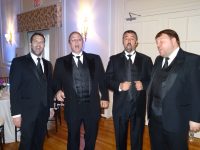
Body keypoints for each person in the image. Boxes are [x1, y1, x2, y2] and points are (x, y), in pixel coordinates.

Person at [53, 31, 109, 150]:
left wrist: (105, 96)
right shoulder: (61, 61)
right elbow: (56, 81)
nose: (76, 42)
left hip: (92, 106)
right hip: (73, 107)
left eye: (79, 39)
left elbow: (102, 79)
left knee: (91, 136)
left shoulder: (95, 58)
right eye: (73, 40)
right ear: (69, 43)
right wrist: (57, 90)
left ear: (82, 42)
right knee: (72, 137)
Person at [147, 29, 200, 150]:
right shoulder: (158, 60)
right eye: (157, 42)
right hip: (154, 119)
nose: (158, 45)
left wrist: (196, 118)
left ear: (174, 40)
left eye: (162, 41)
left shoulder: (192, 60)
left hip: (176, 119)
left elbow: (197, 91)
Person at [106, 30, 153, 150]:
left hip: (139, 106)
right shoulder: (114, 59)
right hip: (120, 106)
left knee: (137, 139)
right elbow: (107, 80)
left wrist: (144, 85)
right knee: (120, 138)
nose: (129, 40)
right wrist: (120, 86)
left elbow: (153, 80)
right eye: (126, 38)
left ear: (136, 42)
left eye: (132, 38)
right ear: (123, 41)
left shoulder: (146, 60)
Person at [9, 32, 54, 150]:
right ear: (30, 44)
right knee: (26, 144)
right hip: (27, 113)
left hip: (43, 111)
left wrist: (50, 107)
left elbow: (49, 88)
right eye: (35, 41)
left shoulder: (48, 64)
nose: (38, 44)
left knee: (39, 142)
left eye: (41, 42)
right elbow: (14, 90)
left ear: (44, 45)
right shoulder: (19, 62)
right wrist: (16, 114)